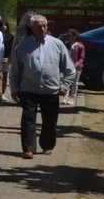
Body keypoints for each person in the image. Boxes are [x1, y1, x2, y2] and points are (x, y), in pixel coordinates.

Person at [9, 15, 76, 160]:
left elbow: (70, 69)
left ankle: (47, 145)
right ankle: (28, 148)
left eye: (44, 25)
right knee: (28, 119)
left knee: (50, 120)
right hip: (28, 89)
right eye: (39, 26)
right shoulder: (22, 46)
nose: (42, 29)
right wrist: (14, 89)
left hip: (50, 89)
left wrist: (64, 85)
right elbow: (14, 70)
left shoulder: (57, 44)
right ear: (32, 28)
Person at [0, 16, 13, 103]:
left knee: (4, 75)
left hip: (6, 58)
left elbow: (12, 48)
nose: (4, 26)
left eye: (5, 24)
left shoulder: (11, 36)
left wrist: (9, 58)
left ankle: (3, 93)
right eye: (2, 24)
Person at [65, 29, 85, 106]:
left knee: (74, 83)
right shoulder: (67, 44)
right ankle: (65, 97)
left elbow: (81, 58)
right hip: (67, 66)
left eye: (69, 36)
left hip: (76, 67)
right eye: (67, 36)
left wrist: (75, 65)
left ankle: (72, 98)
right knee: (66, 82)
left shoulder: (80, 46)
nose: (68, 37)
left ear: (74, 36)